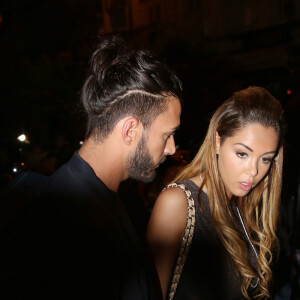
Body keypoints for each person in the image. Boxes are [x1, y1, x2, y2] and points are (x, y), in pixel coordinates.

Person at [0, 34, 182, 299]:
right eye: (167, 135)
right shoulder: (70, 223)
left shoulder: (98, 196)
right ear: (130, 130)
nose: (172, 148)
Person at [147, 86, 285, 300]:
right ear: (217, 142)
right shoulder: (178, 202)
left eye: (265, 159)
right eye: (242, 154)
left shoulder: (240, 208)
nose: (254, 171)